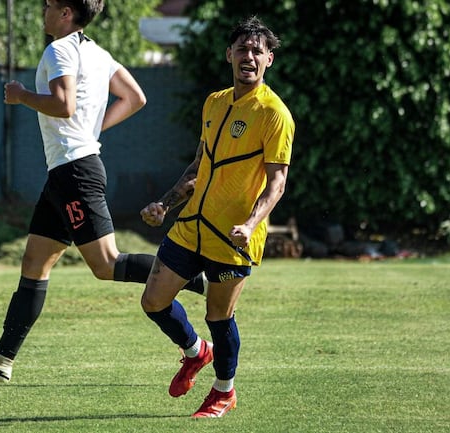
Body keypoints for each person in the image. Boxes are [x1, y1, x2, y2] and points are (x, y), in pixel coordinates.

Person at [0, 0, 205, 382]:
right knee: (35, 263)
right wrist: (93, 130)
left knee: (106, 264)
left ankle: (187, 273)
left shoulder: (59, 49)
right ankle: (2, 358)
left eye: (51, 5)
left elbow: (64, 104)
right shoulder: (97, 52)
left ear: (67, 13)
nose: (45, 11)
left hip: (75, 173)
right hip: (64, 173)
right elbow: (136, 98)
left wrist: (20, 95)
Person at [139, 16, 295, 418]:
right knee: (154, 301)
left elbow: (276, 183)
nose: (249, 56)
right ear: (229, 55)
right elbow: (198, 166)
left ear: (269, 60)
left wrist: (251, 224)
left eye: (257, 51)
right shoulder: (214, 102)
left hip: (233, 237)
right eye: (242, 49)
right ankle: (195, 352)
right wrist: (164, 204)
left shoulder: (275, 114)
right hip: (192, 225)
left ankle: (224, 390)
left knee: (218, 315)